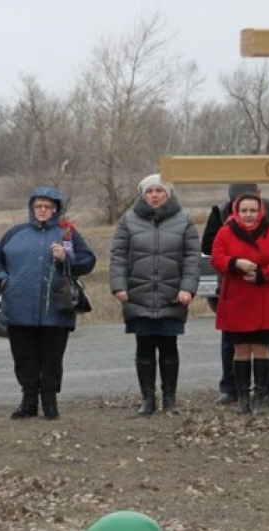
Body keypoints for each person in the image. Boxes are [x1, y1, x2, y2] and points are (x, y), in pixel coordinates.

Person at [0, 186, 96, 420]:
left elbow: (88, 261)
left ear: (56, 209)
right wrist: (2, 280)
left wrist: (66, 258)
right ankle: (28, 402)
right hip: (19, 307)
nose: (43, 210)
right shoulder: (15, 233)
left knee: (52, 357)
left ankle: (49, 401)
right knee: (24, 356)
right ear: (32, 207)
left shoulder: (67, 234)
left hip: (56, 309)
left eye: (48, 206)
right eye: (39, 206)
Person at [109, 174, 200, 416]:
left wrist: (187, 288)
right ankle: (147, 399)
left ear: (168, 194)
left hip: (172, 295)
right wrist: (119, 286)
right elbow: (118, 255)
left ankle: (170, 399)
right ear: (143, 194)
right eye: (150, 192)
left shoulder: (185, 220)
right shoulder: (128, 220)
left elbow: (192, 259)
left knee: (169, 347)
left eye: (159, 191)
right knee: (144, 348)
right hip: (139, 294)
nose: (155, 195)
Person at [201, 183, 269, 406]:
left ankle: (262, 395)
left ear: (260, 209)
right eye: (244, 210)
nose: (249, 215)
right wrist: (236, 263)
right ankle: (241, 395)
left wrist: (263, 274)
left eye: (253, 210)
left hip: (265, 295)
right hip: (237, 296)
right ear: (236, 210)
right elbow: (215, 257)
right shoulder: (225, 231)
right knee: (239, 349)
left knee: (264, 349)